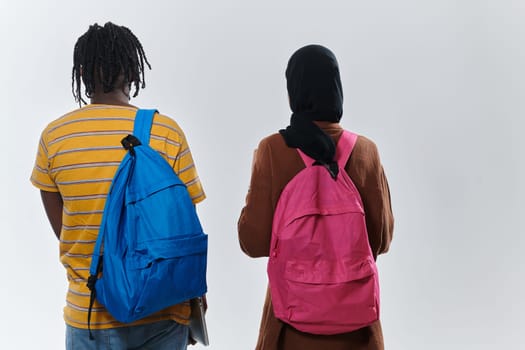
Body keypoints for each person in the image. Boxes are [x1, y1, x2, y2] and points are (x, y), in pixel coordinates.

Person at [30, 22, 205, 350]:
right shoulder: (167, 132)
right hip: (163, 306)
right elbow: (183, 226)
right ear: (132, 69)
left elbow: (67, 229)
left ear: (81, 71)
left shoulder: (55, 137)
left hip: (91, 311)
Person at [238, 45, 394, 350]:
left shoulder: (273, 149)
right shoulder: (366, 152)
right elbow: (381, 240)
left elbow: (253, 243)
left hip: (289, 327)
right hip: (358, 329)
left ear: (293, 91)